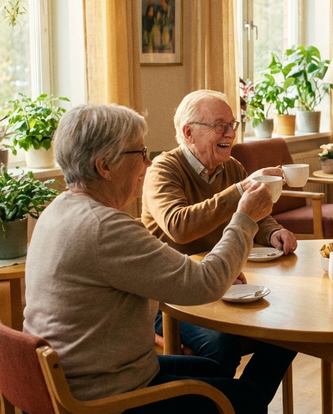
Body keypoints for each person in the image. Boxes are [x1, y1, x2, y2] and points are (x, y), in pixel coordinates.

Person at [24, 104, 275, 414]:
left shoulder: (58, 209)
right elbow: (205, 285)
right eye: (139, 152)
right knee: (249, 397)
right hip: (101, 397)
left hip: (73, 376)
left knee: (212, 370)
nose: (148, 162)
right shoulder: (104, 227)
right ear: (105, 166)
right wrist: (245, 218)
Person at [140, 90, 297, 398]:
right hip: (169, 294)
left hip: (221, 283)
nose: (230, 133)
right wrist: (239, 191)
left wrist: (272, 231)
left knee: (290, 327)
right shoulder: (163, 169)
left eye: (232, 124)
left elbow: (254, 213)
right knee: (220, 347)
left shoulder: (232, 168)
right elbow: (179, 226)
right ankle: (221, 404)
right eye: (219, 125)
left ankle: (243, 404)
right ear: (188, 133)